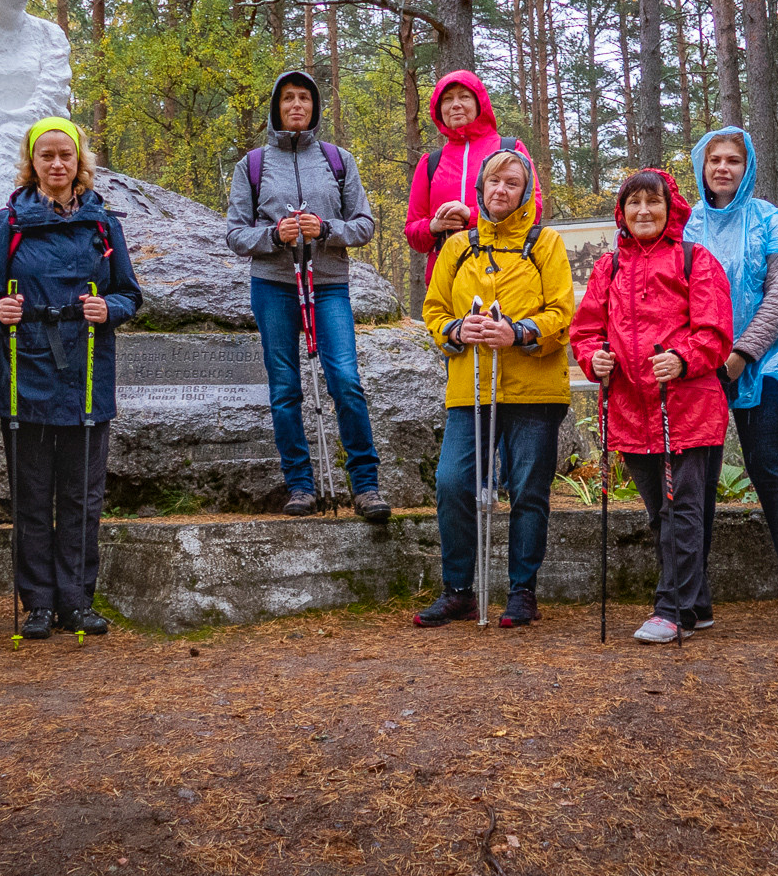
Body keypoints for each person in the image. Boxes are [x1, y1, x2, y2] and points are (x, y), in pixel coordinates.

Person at [0, 118, 143, 641]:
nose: (57, 163)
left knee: (81, 498)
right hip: (24, 371)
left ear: (79, 161)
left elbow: (130, 294)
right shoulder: (7, 223)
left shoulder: (103, 225)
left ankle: (76, 601)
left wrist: (108, 308)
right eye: (46, 155)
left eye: (65, 154)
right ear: (32, 162)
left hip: (86, 372)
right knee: (31, 496)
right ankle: (39, 604)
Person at [572, 169, 734, 644]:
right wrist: (593, 358)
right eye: (634, 202)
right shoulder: (608, 268)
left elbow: (715, 332)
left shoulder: (695, 260)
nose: (644, 211)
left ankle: (673, 609)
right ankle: (697, 604)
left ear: (671, 208)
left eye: (653, 202)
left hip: (687, 406)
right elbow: (586, 331)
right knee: (662, 512)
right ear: (621, 212)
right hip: (629, 407)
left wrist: (683, 358)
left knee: (681, 509)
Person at [413, 149, 573, 629]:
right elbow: (434, 309)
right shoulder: (458, 246)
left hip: (535, 391)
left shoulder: (545, 243)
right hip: (472, 388)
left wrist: (518, 333)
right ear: (480, 188)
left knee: (528, 489)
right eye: (493, 182)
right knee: (452, 482)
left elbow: (562, 312)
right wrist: (457, 330)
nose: (501, 190)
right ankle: (458, 591)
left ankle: (523, 592)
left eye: (512, 183)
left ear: (526, 192)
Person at [224, 70, 389, 521]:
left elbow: (365, 225)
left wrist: (327, 229)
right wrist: (274, 235)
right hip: (273, 287)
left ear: (315, 107)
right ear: (276, 107)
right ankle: (300, 485)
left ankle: (366, 486)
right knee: (284, 388)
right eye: (288, 98)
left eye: (304, 98)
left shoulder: (338, 160)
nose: (296, 105)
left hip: (329, 284)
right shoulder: (252, 165)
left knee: (346, 380)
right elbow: (235, 234)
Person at [683, 127, 778, 619]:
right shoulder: (686, 225)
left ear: (748, 167)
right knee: (699, 476)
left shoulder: (771, 222)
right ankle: (690, 583)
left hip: (766, 365)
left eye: (733, 160)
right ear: (702, 168)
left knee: (767, 468)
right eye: (714, 160)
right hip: (700, 368)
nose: (723, 168)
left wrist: (741, 354)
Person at [402, 70, 543, 282]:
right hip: (446, 280)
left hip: (505, 275)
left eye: (464, 96)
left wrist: (471, 215)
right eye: (447, 99)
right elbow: (413, 232)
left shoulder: (510, 149)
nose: (455, 105)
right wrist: (433, 226)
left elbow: (533, 210)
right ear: (439, 110)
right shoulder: (430, 163)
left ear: (480, 103)